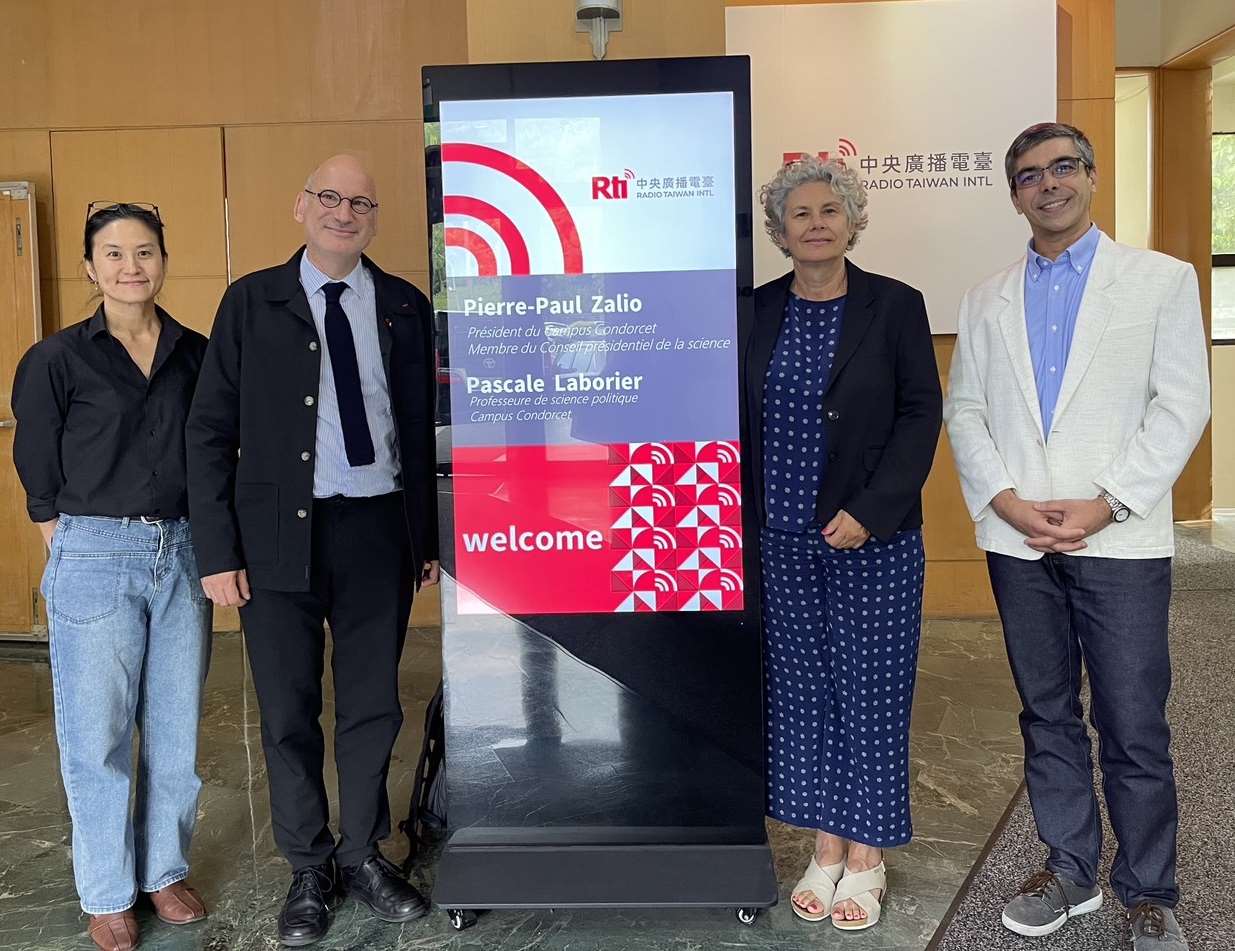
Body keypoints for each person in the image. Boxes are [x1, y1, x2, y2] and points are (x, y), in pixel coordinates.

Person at [945, 122, 1209, 950]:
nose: (1046, 184)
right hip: (1018, 540)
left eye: (1062, 168)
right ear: (1013, 192)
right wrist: (1008, 501)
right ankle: (1067, 866)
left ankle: (1147, 887)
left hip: (1118, 541)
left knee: (1132, 719)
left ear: (1090, 177)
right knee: (1046, 711)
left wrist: (1108, 502)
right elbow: (967, 411)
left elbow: (1181, 405)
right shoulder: (984, 296)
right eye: (1028, 174)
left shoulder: (1160, 280)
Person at [186, 154, 439, 947]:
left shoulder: (402, 304)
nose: (344, 212)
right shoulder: (250, 302)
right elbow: (208, 433)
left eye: (361, 202)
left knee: (372, 705)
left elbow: (420, 424)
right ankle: (309, 865)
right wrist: (217, 551)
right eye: (329, 197)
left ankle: (364, 854)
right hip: (273, 539)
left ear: (374, 218)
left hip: (375, 530)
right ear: (300, 205)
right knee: (289, 707)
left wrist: (422, 539)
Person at [741, 156, 942, 930]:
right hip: (780, 538)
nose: (816, 222)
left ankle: (867, 853)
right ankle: (823, 844)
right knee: (803, 693)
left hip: (872, 538)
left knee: (871, 691)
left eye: (831, 210)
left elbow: (919, 413)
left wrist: (872, 507)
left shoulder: (893, 305)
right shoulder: (756, 309)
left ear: (853, 221)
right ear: (780, 232)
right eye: (801, 214)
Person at [12, 202, 212, 951]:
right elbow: (37, 460)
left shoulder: (195, 352)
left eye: (146, 252)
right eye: (115, 253)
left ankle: (163, 868)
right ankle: (105, 889)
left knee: (173, 722)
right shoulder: (58, 357)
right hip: (93, 550)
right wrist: (66, 541)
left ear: (163, 260)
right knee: (94, 731)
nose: (133, 266)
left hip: (185, 550)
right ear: (91, 268)